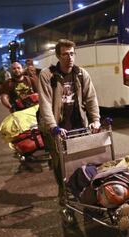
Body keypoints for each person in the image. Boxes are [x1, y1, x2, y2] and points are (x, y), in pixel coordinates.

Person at [38, 39, 101, 204]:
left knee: (82, 160)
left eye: (72, 53)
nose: (69, 57)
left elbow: (91, 98)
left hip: (77, 125)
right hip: (56, 128)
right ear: (58, 56)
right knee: (61, 164)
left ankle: (82, 190)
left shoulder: (81, 74)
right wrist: (53, 127)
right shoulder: (47, 75)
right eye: (65, 54)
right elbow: (45, 103)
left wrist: (95, 120)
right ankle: (63, 194)